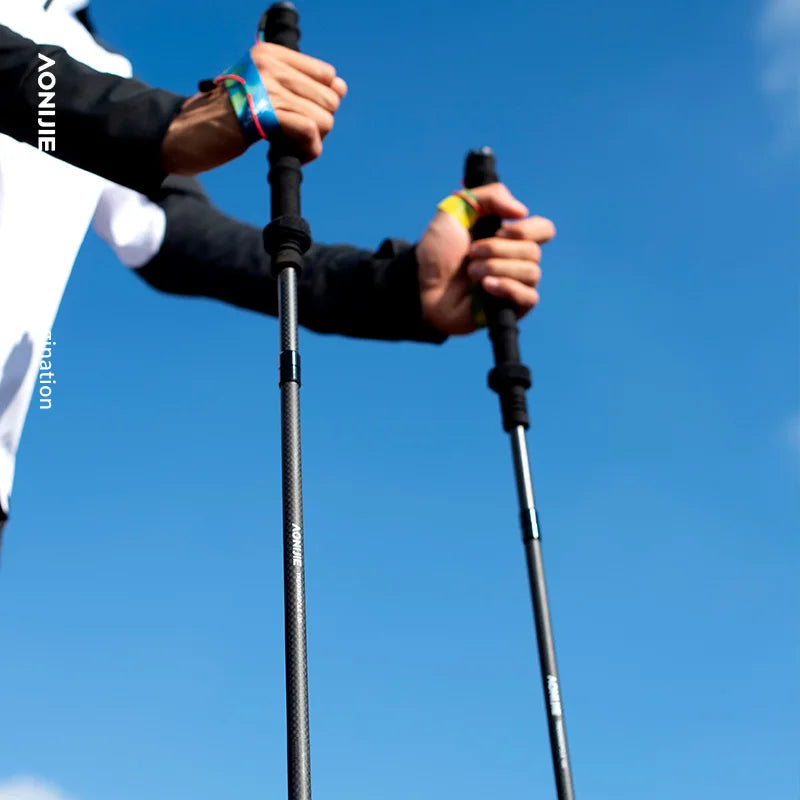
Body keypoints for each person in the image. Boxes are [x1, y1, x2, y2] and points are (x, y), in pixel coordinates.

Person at [0, 0, 555, 553]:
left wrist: (401, 289)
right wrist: (159, 123)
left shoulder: (100, 65)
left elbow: (174, 235)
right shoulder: (89, 79)